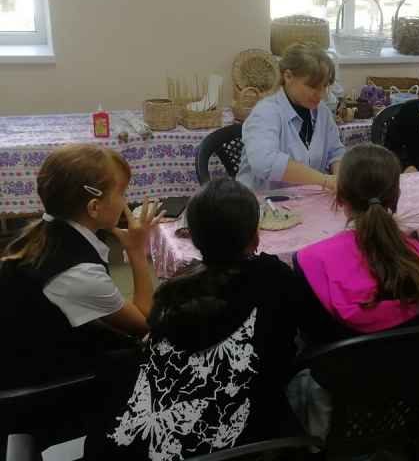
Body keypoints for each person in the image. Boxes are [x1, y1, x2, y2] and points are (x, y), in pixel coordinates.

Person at [88, 178, 303, 459]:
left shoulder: (175, 290)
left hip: (131, 444)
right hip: (228, 440)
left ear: (193, 238)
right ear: (255, 238)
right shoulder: (275, 278)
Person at [289, 143, 419, 441]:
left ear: (339, 197)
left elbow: (310, 334)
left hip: (337, 382)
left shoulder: (310, 260)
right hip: (407, 374)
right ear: (396, 197)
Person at [0, 144, 162, 389]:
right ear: (94, 207)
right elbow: (145, 324)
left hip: (26, 348)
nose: (125, 201)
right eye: (122, 193)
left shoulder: (40, 231)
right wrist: (137, 252)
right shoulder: (79, 274)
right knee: (162, 349)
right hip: (40, 380)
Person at [237, 43, 345, 194]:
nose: (321, 95)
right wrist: (324, 180)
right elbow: (265, 163)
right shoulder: (266, 112)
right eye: (313, 86)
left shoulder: (322, 112)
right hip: (260, 202)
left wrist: (339, 180)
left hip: (306, 200)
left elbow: (336, 152)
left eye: (325, 86)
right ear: (288, 76)